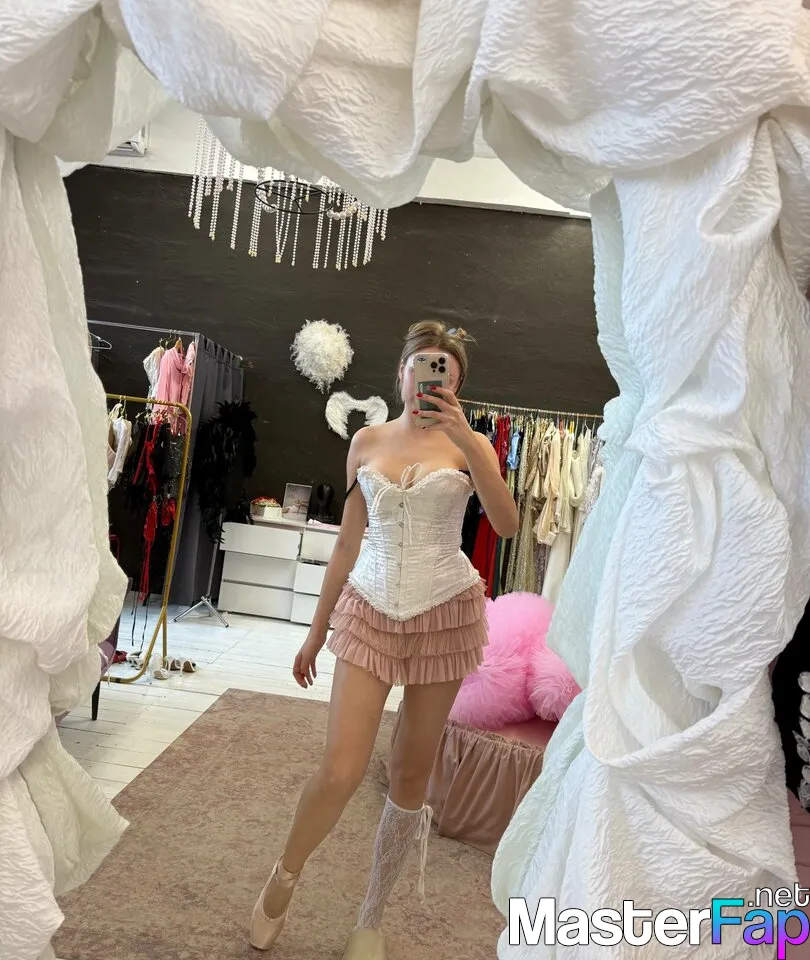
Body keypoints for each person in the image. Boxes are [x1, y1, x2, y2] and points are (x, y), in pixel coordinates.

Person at [249, 321, 519, 959]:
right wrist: (315, 632)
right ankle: (285, 874)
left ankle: (371, 917)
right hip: (369, 606)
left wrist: (468, 440)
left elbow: (507, 525)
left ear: (457, 384)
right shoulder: (365, 441)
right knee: (341, 769)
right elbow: (348, 541)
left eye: (445, 369)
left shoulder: (470, 444)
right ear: (401, 373)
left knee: (410, 774)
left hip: (444, 613)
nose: (431, 376)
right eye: (421, 364)